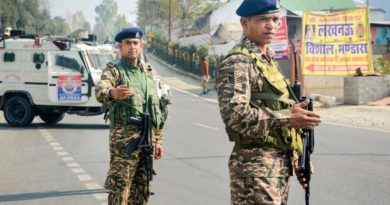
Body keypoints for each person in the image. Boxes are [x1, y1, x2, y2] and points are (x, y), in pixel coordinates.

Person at [216, 0, 322, 204]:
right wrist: (288, 118)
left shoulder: (268, 60)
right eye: (263, 19)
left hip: (277, 167)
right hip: (254, 169)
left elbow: (279, 107)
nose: (271, 25)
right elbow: (235, 115)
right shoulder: (238, 62)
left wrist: (298, 154)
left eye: (275, 19)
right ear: (245, 23)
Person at [95, 27, 165, 205]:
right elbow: (100, 90)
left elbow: (155, 109)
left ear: (141, 46)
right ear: (120, 46)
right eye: (128, 43)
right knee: (120, 188)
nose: (132, 47)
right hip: (124, 141)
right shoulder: (114, 71)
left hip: (146, 141)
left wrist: (158, 140)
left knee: (141, 189)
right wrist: (112, 92)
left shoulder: (147, 72)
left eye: (135, 43)